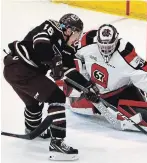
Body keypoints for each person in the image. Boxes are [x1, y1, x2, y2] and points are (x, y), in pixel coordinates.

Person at [63, 24, 147, 138]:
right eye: (102, 46)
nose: (106, 50)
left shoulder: (126, 52)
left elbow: (142, 72)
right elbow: (74, 58)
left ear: (116, 40)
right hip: (92, 94)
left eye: (109, 46)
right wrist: (85, 84)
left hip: (122, 91)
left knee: (139, 113)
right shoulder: (86, 42)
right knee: (73, 102)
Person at [3, 13, 99, 161]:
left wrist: (87, 87)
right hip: (20, 68)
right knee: (56, 97)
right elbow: (40, 45)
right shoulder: (51, 27)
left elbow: (69, 71)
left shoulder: (67, 49)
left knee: (34, 103)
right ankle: (57, 144)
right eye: (77, 34)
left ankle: (33, 129)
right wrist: (54, 61)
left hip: (21, 72)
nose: (77, 39)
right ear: (68, 31)